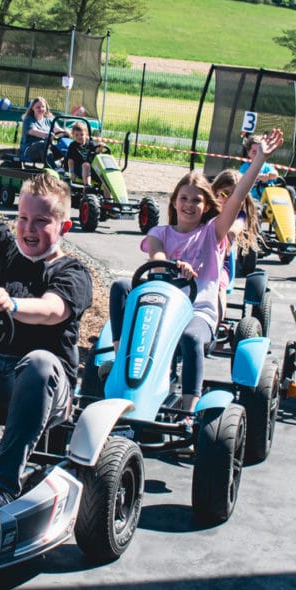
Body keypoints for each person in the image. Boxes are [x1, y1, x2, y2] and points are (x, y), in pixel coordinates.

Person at [0, 113, 93, 502]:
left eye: (41, 221)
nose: (28, 228)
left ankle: (3, 485)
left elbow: (53, 309)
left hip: (44, 388)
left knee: (39, 363)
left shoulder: (72, 272)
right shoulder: (9, 252)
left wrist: (12, 303)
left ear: (64, 228)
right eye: (23, 217)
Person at [107, 130, 284, 415]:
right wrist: (172, 265)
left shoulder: (211, 233)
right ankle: (119, 357)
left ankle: (188, 410)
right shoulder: (159, 233)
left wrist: (260, 159)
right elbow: (157, 255)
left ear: (206, 207)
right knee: (120, 286)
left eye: (196, 201)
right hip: (161, 306)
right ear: (174, 201)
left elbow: (238, 197)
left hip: (197, 310)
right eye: (184, 198)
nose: (189, 205)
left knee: (190, 338)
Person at [210, 167, 261, 325]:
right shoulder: (208, 210)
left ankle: (217, 325)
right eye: (225, 194)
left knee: (219, 286)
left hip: (221, 263)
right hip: (197, 258)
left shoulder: (240, 215)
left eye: (234, 196)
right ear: (216, 192)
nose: (228, 200)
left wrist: (228, 233)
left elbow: (235, 229)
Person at [237, 133, 281, 201]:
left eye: (260, 152)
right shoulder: (245, 167)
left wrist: (268, 176)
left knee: (290, 191)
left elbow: (276, 174)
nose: (257, 155)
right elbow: (240, 181)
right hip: (252, 200)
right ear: (248, 153)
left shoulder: (266, 166)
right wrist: (257, 177)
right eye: (254, 152)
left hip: (268, 199)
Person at [20, 97, 66, 163]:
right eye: (38, 107)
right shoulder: (28, 119)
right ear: (33, 108)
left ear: (46, 108)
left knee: (66, 147)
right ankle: (52, 167)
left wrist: (65, 133)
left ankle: (69, 169)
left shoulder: (49, 120)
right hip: (30, 149)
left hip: (48, 148)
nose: (41, 109)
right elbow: (33, 131)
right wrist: (48, 135)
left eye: (43, 107)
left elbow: (57, 130)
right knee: (43, 145)